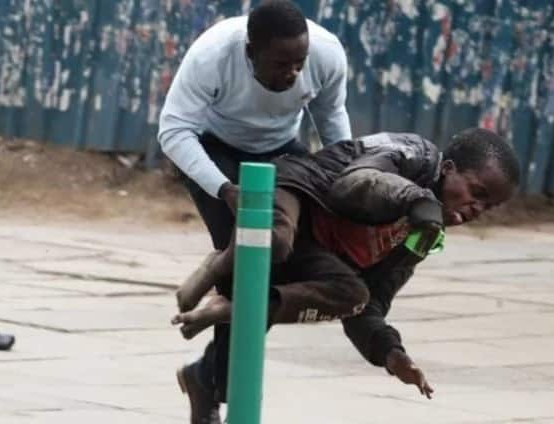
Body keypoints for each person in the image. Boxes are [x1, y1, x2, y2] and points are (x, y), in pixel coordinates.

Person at [172, 127, 520, 419]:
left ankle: (220, 338)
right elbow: (353, 185)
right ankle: (219, 264)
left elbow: (372, 300)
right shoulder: (414, 154)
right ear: (447, 168)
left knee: (352, 296)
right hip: (298, 197)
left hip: (317, 253)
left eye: (488, 206)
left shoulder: (424, 234)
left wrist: (389, 352)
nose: (477, 209)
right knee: (275, 242)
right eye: (477, 193)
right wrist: (416, 200)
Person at [157, 1, 351, 422]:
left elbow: (331, 118)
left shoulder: (328, 53)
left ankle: (208, 375)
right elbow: (174, 129)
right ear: (250, 51)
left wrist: (345, 178)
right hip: (216, 152)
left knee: (280, 263)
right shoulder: (213, 54)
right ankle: (214, 376)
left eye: (299, 63)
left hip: (283, 152)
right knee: (251, 260)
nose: (293, 73)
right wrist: (224, 189)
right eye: (281, 64)